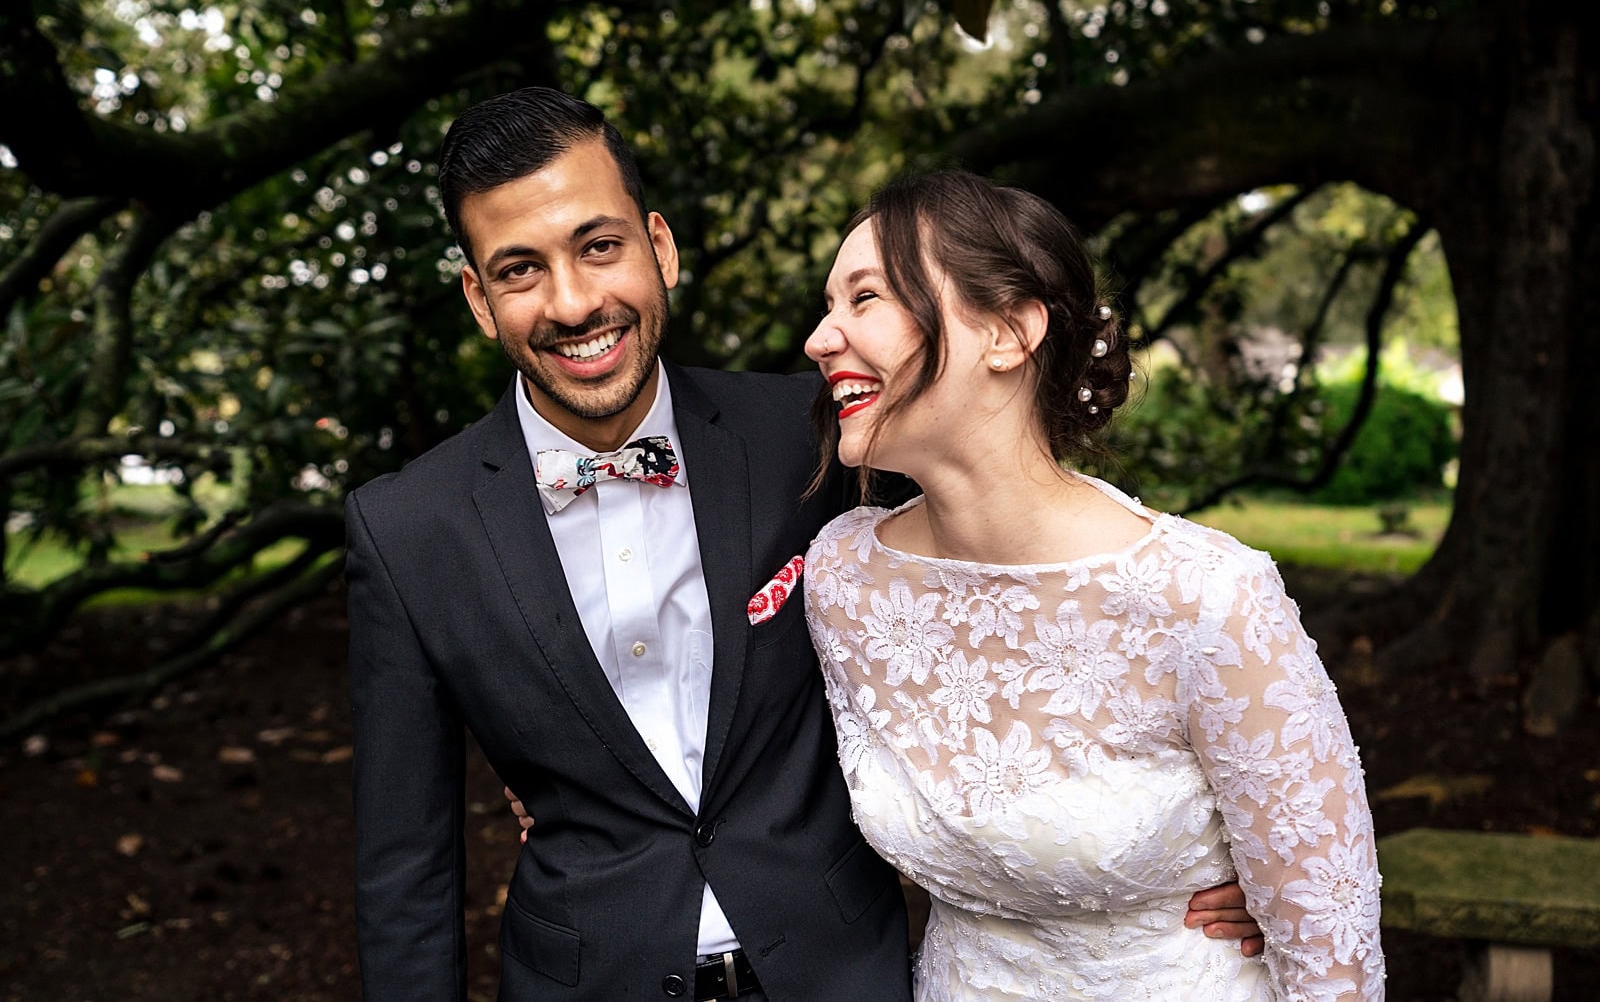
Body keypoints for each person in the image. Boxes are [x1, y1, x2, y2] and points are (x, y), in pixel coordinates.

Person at [347, 85, 1261, 1001]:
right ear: (477, 297)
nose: (575, 301)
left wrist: (1210, 856)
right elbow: (406, 874)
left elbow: (1034, 582)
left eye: (599, 246)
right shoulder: (407, 529)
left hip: (841, 970)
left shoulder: (815, 434)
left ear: (658, 247)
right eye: (519, 270)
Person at [798, 169, 1385, 1000]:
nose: (822, 338)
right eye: (828, 306)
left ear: (1008, 332)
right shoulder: (844, 581)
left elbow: (1334, 957)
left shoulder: (1208, 599)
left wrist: (1285, 893)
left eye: (866, 299)